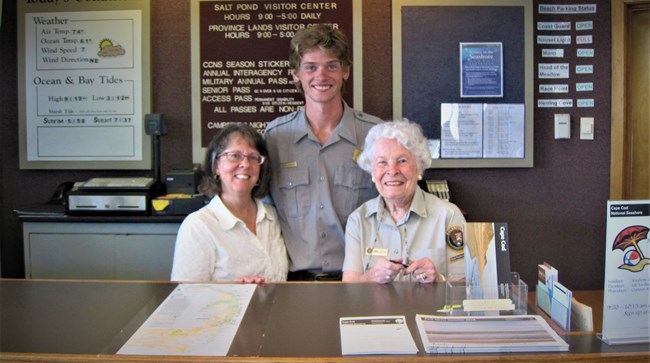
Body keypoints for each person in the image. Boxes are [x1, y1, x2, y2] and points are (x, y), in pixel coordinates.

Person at [264, 24, 382, 281]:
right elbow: (259, 212)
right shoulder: (274, 138)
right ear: (295, 74)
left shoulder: (376, 135)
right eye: (310, 67)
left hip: (360, 282)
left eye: (331, 65)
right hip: (293, 286)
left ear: (346, 71)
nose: (322, 75)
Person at [342, 119, 466, 284]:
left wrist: (438, 279)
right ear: (372, 171)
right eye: (382, 162)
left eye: (402, 161)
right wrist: (370, 277)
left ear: (418, 168)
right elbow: (348, 289)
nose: (392, 171)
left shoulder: (448, 216)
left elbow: (466, 286)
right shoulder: (357, 221)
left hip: (429, 310)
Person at [171, 123, 288, 283]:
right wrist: (232, 294)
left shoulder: (272, 217)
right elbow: (185, 297)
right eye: (234, 155)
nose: (245, 164)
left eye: (253, 157)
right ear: (216, 166)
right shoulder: (198, 226)